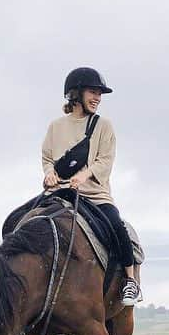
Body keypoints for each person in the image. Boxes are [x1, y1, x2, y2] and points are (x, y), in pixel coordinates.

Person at [41, 66, 142, 306]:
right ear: (75, 94)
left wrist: (84, 175)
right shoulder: (55, 126)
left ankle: (129, 280)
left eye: (99, 94)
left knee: (117, 226)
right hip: (59, 194)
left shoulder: (103, 126)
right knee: (21, 222)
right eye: (92, 92)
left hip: (94, 195)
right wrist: (49, 174)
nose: (97, 98)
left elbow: (105, 159)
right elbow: (47, 158)